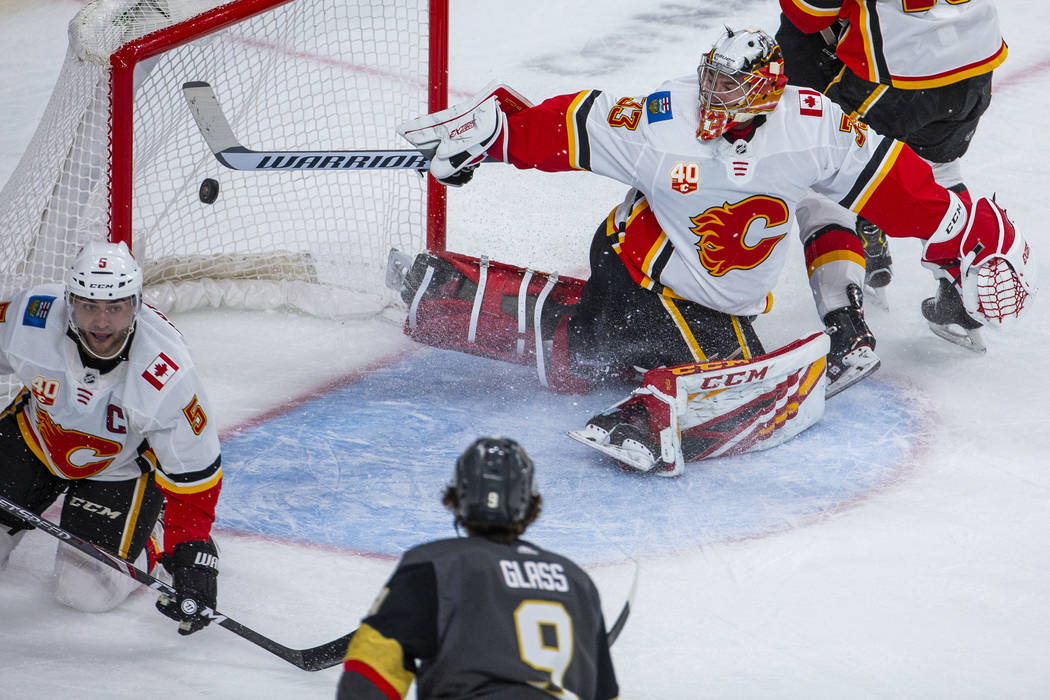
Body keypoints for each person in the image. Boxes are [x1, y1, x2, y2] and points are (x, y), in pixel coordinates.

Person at [392, 26, 1032, 471]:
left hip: (699, 289)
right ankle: (642, 419)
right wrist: (498, 132)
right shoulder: (662, 121)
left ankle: (451, 295)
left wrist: (974, 237)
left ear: (763, 93)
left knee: (589, 353)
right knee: (739, 374)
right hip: (645, 273)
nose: (710, 94)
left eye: (728, 87)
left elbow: (899, 189)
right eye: (710, 78)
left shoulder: (811, 129)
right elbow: (575, 124)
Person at [0, 240, 222, 633]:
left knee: (84, 593)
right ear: (70, 302)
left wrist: (189, 551)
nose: (102, 322)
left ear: (135, 305)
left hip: (118, 470)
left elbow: (196, 471)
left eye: (115, 307)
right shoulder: (32, 315)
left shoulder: (166, 371)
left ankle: (154, 526)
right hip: (36, 439)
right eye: (89, 306)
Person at [778, 0, 1008, 350]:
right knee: (938, 166)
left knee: (823, 168)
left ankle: (846, 319)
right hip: (976, 70)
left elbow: (808, 17)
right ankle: (959, 296)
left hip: (902, 77)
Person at [337, 437, 619, 700]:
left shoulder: (434, 565)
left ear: (458, 495)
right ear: (530, 502)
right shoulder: (575, 580)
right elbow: (605, 694)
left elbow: (370, 669)